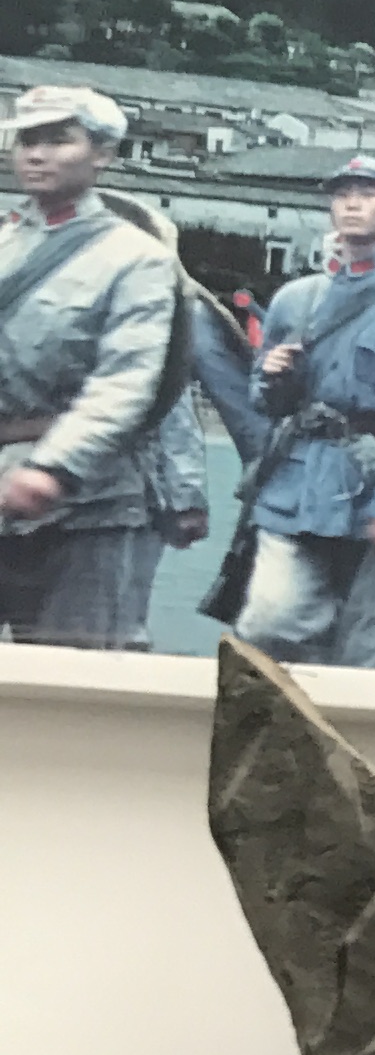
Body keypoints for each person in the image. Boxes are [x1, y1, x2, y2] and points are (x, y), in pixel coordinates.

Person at [234, 153, 375, 666]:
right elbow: (264, 402)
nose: (353, 205)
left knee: (369, 649)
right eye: (342, 195)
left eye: (369, 194)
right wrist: (273, 375)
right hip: (299, 482)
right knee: (268, 623)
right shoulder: (297, 298)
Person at [0, 83, 183, 649]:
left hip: (84, 504)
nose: (37, 154)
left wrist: (54, 467)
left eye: (59, 140)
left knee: (69, 672)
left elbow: (125, 381)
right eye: (26, 140)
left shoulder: (136, 258)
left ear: (102, 153)